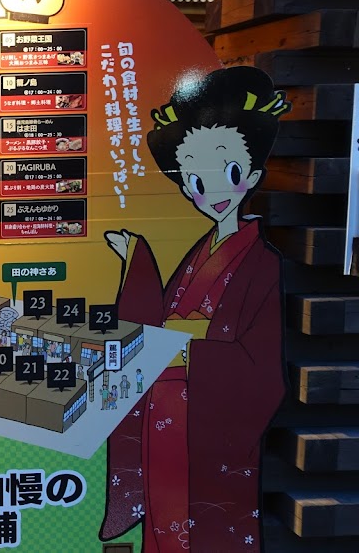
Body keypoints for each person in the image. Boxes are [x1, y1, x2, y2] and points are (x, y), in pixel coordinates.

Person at [100, 67, 289, 553]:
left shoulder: (262, 264)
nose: (214, 192)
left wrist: (188, 354)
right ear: (186, 186)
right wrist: (138, 263)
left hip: (208, 430)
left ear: (252, 174)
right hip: (164, 420)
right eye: (197, 180)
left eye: (229, 173)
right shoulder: (197, 254)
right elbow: (158, 322)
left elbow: (261, 367)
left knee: (207, 527)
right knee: (166, 524)